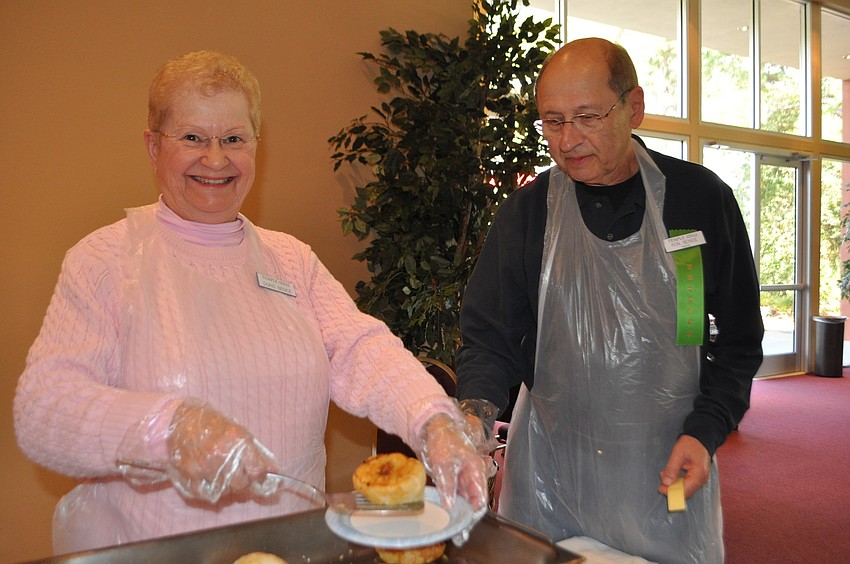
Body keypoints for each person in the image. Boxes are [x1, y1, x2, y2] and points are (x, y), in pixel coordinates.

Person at [14, 50, 489, 554]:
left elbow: (359, 349)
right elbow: (43, 409)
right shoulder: (106, 261)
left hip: (291, 547)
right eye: (193, 137)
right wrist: (169, 429)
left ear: (256, 146)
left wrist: (433, 421)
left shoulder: (291, 260)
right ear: (153, 147)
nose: (215, 159)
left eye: (234, 139)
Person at [454, 38, 763, 563]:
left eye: (587, 117)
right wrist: (474, 419)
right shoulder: (527, 215)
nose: (568, 139)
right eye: (552, 121)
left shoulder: (699, 201)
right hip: (551, 472)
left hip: (669, 462)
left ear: (633, 108)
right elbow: (489, 337)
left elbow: (736, 338)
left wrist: (707, 429)